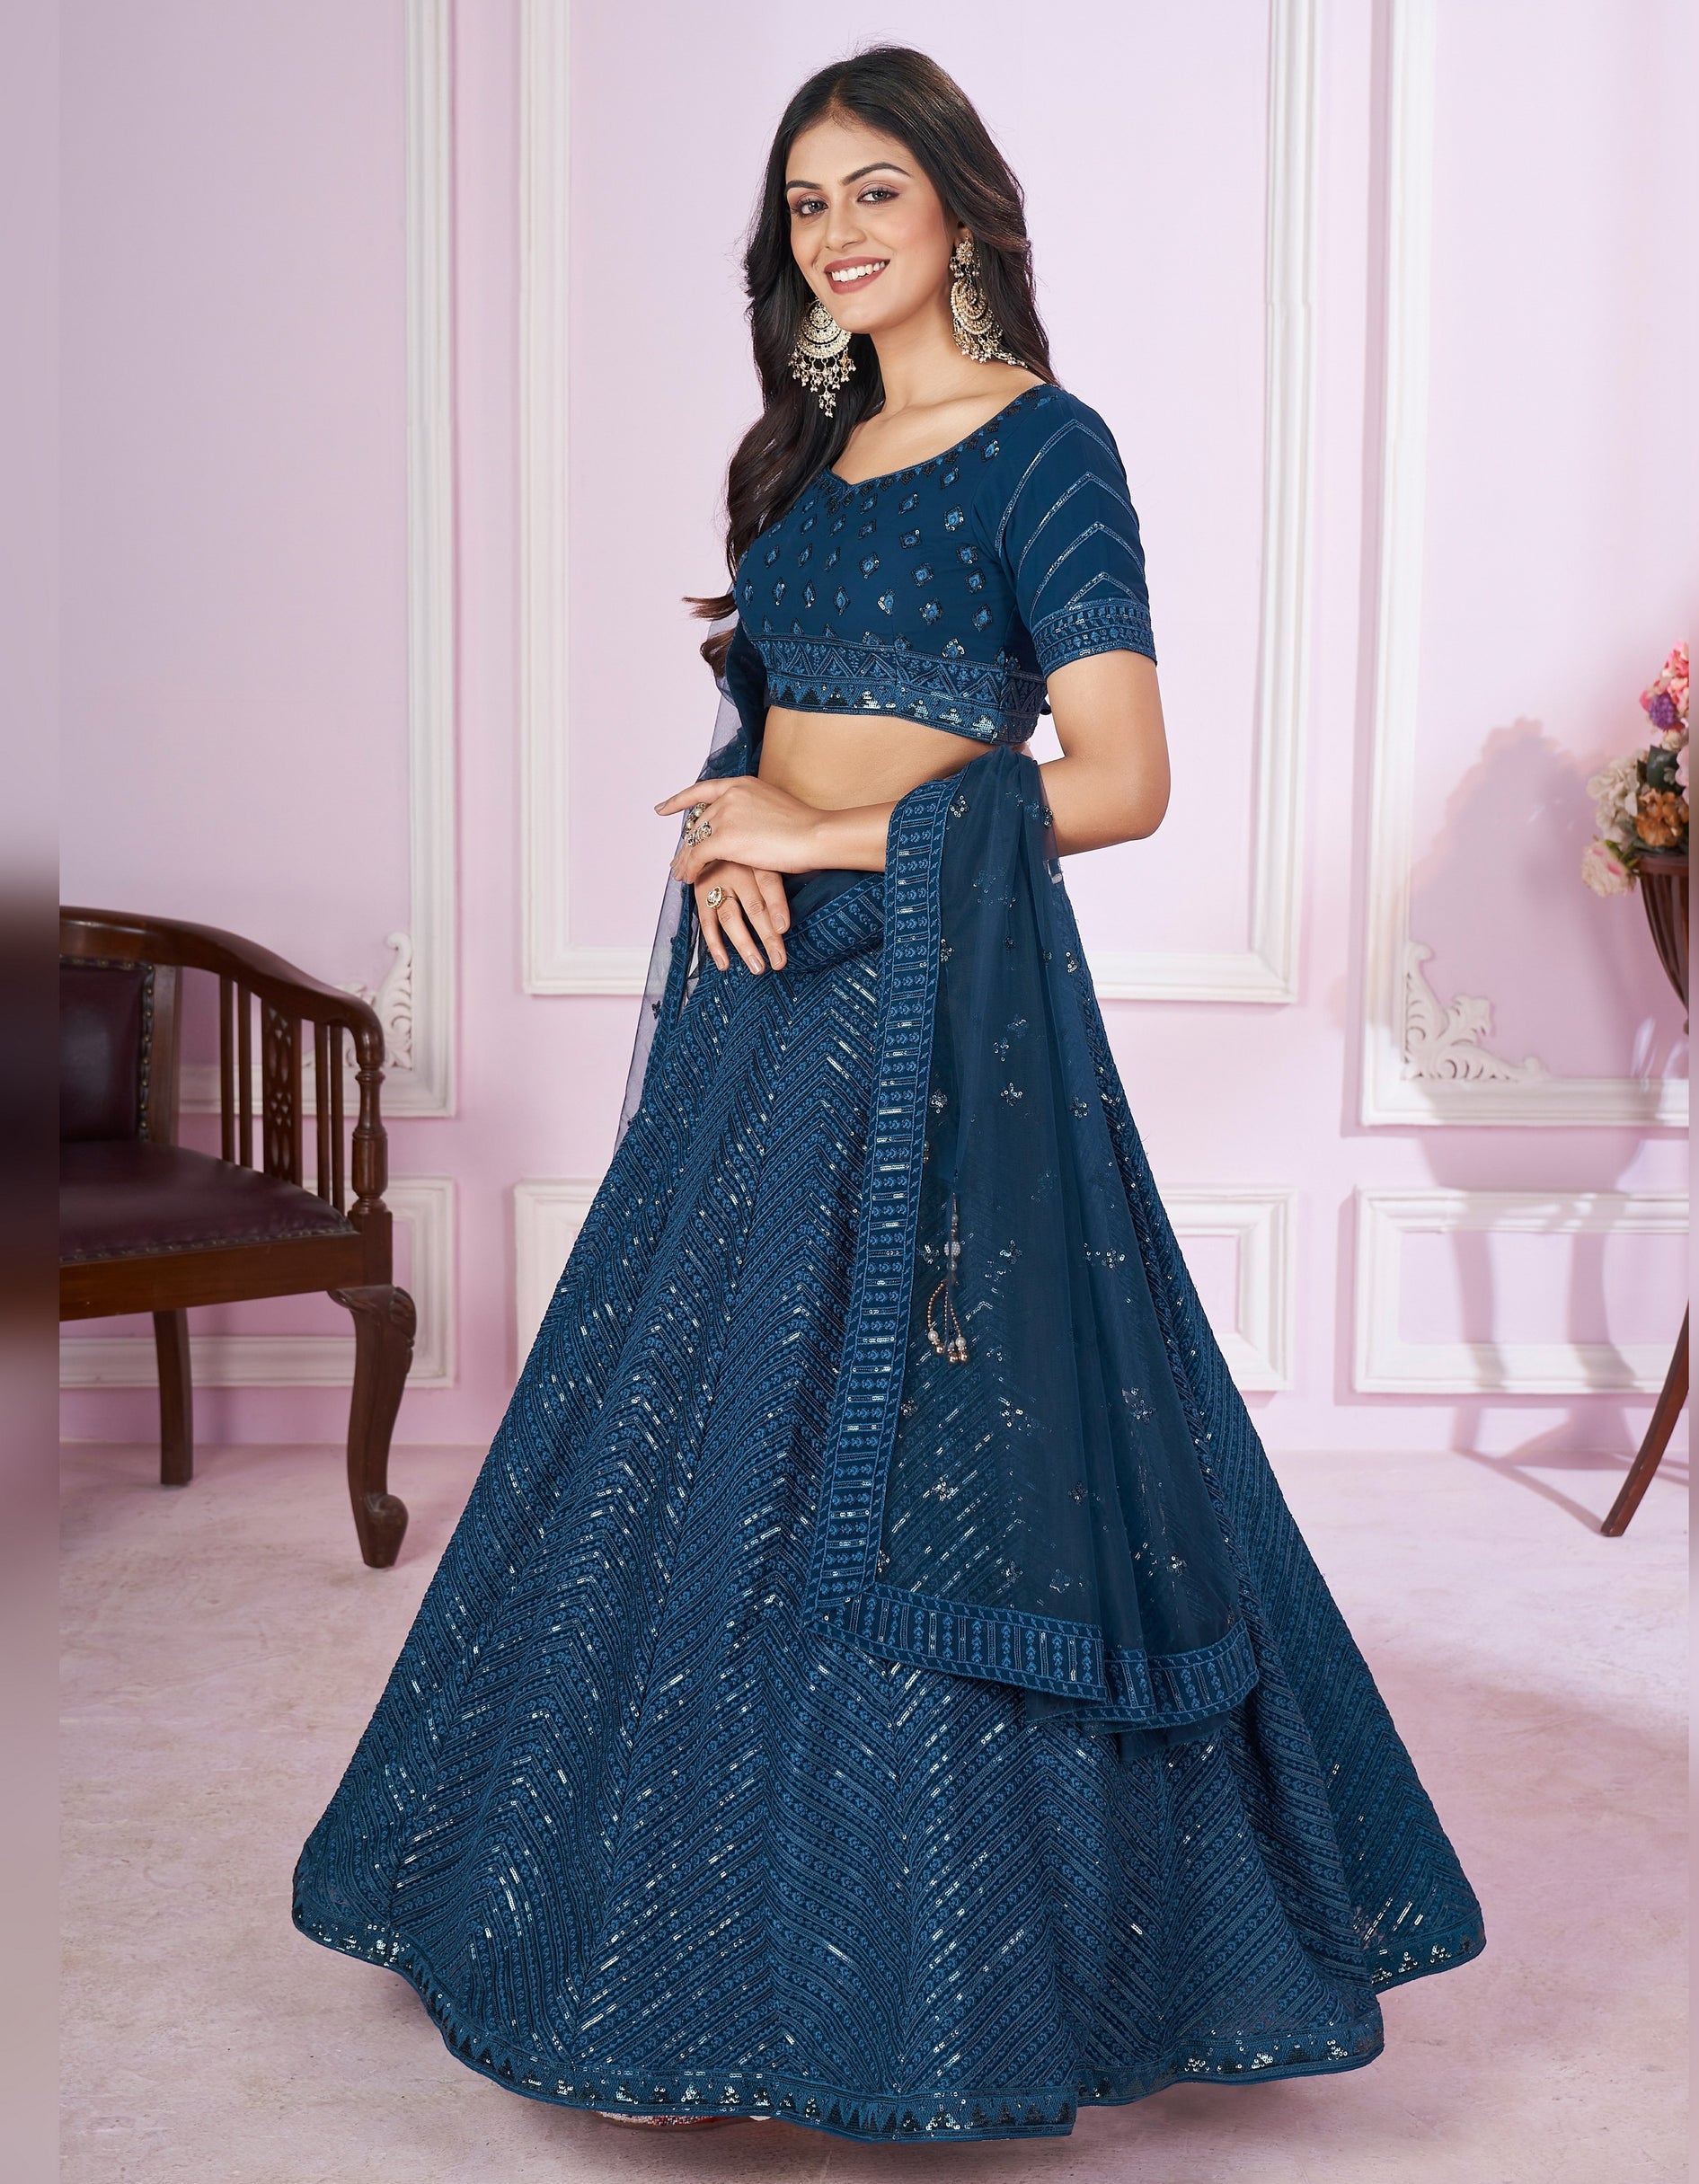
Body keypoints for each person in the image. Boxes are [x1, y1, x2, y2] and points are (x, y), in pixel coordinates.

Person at [293, 46, 1483, 2144]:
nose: (835, 238)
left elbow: (1116, 782)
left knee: (930, 1445)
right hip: (760, 1012)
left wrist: (825, 839)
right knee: (680, 1447)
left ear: (962, 209)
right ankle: (641, 1933)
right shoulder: (795, 465)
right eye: (803, 208)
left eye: (870, 193)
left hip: (934, 1016)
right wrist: (714, 838)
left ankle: (944, 1989)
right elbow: (761, 735)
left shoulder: (1048, 453)